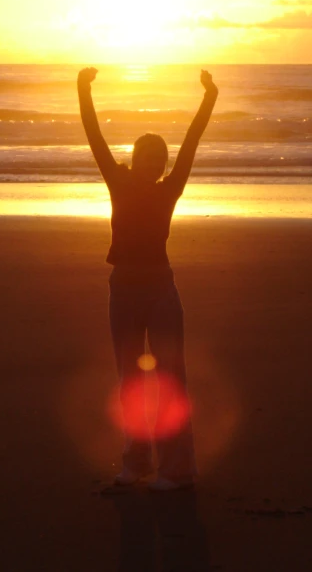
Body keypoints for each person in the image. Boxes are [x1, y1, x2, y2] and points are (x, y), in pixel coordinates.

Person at [77, 66, 218, 491]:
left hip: (160, 289)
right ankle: (135, 463)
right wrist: (82, 90)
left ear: (163, 166)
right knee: (129, 380)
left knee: (172, 376)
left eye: (159, 161)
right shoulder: (117, 181)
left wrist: (209, 97)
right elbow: (94, 137)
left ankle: (177, 469)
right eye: (146, 158)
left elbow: (193, 140)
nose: (152, 166)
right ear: (135, 159)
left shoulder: (170, 188)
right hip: (123, 288)